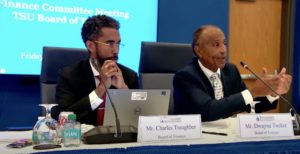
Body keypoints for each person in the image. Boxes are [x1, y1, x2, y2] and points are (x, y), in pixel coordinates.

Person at [173, 25, 292, 121]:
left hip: (226, 136)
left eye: (224, 43)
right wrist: (253, 91)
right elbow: (208, 111)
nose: (223, 50)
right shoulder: (185, 77)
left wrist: (272, 93)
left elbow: (249, 104)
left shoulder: (230, 71)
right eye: (216, 45)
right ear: (199, 51)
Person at [56, 15, 139, 126]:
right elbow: (65, 117)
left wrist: (124, 90)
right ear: (91, 46)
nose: (116, 50)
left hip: (118, 138)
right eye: (110, 43)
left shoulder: (129, 76)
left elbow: (138, 118)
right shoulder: (69, 75)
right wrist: (101, 88)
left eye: (118, 43)